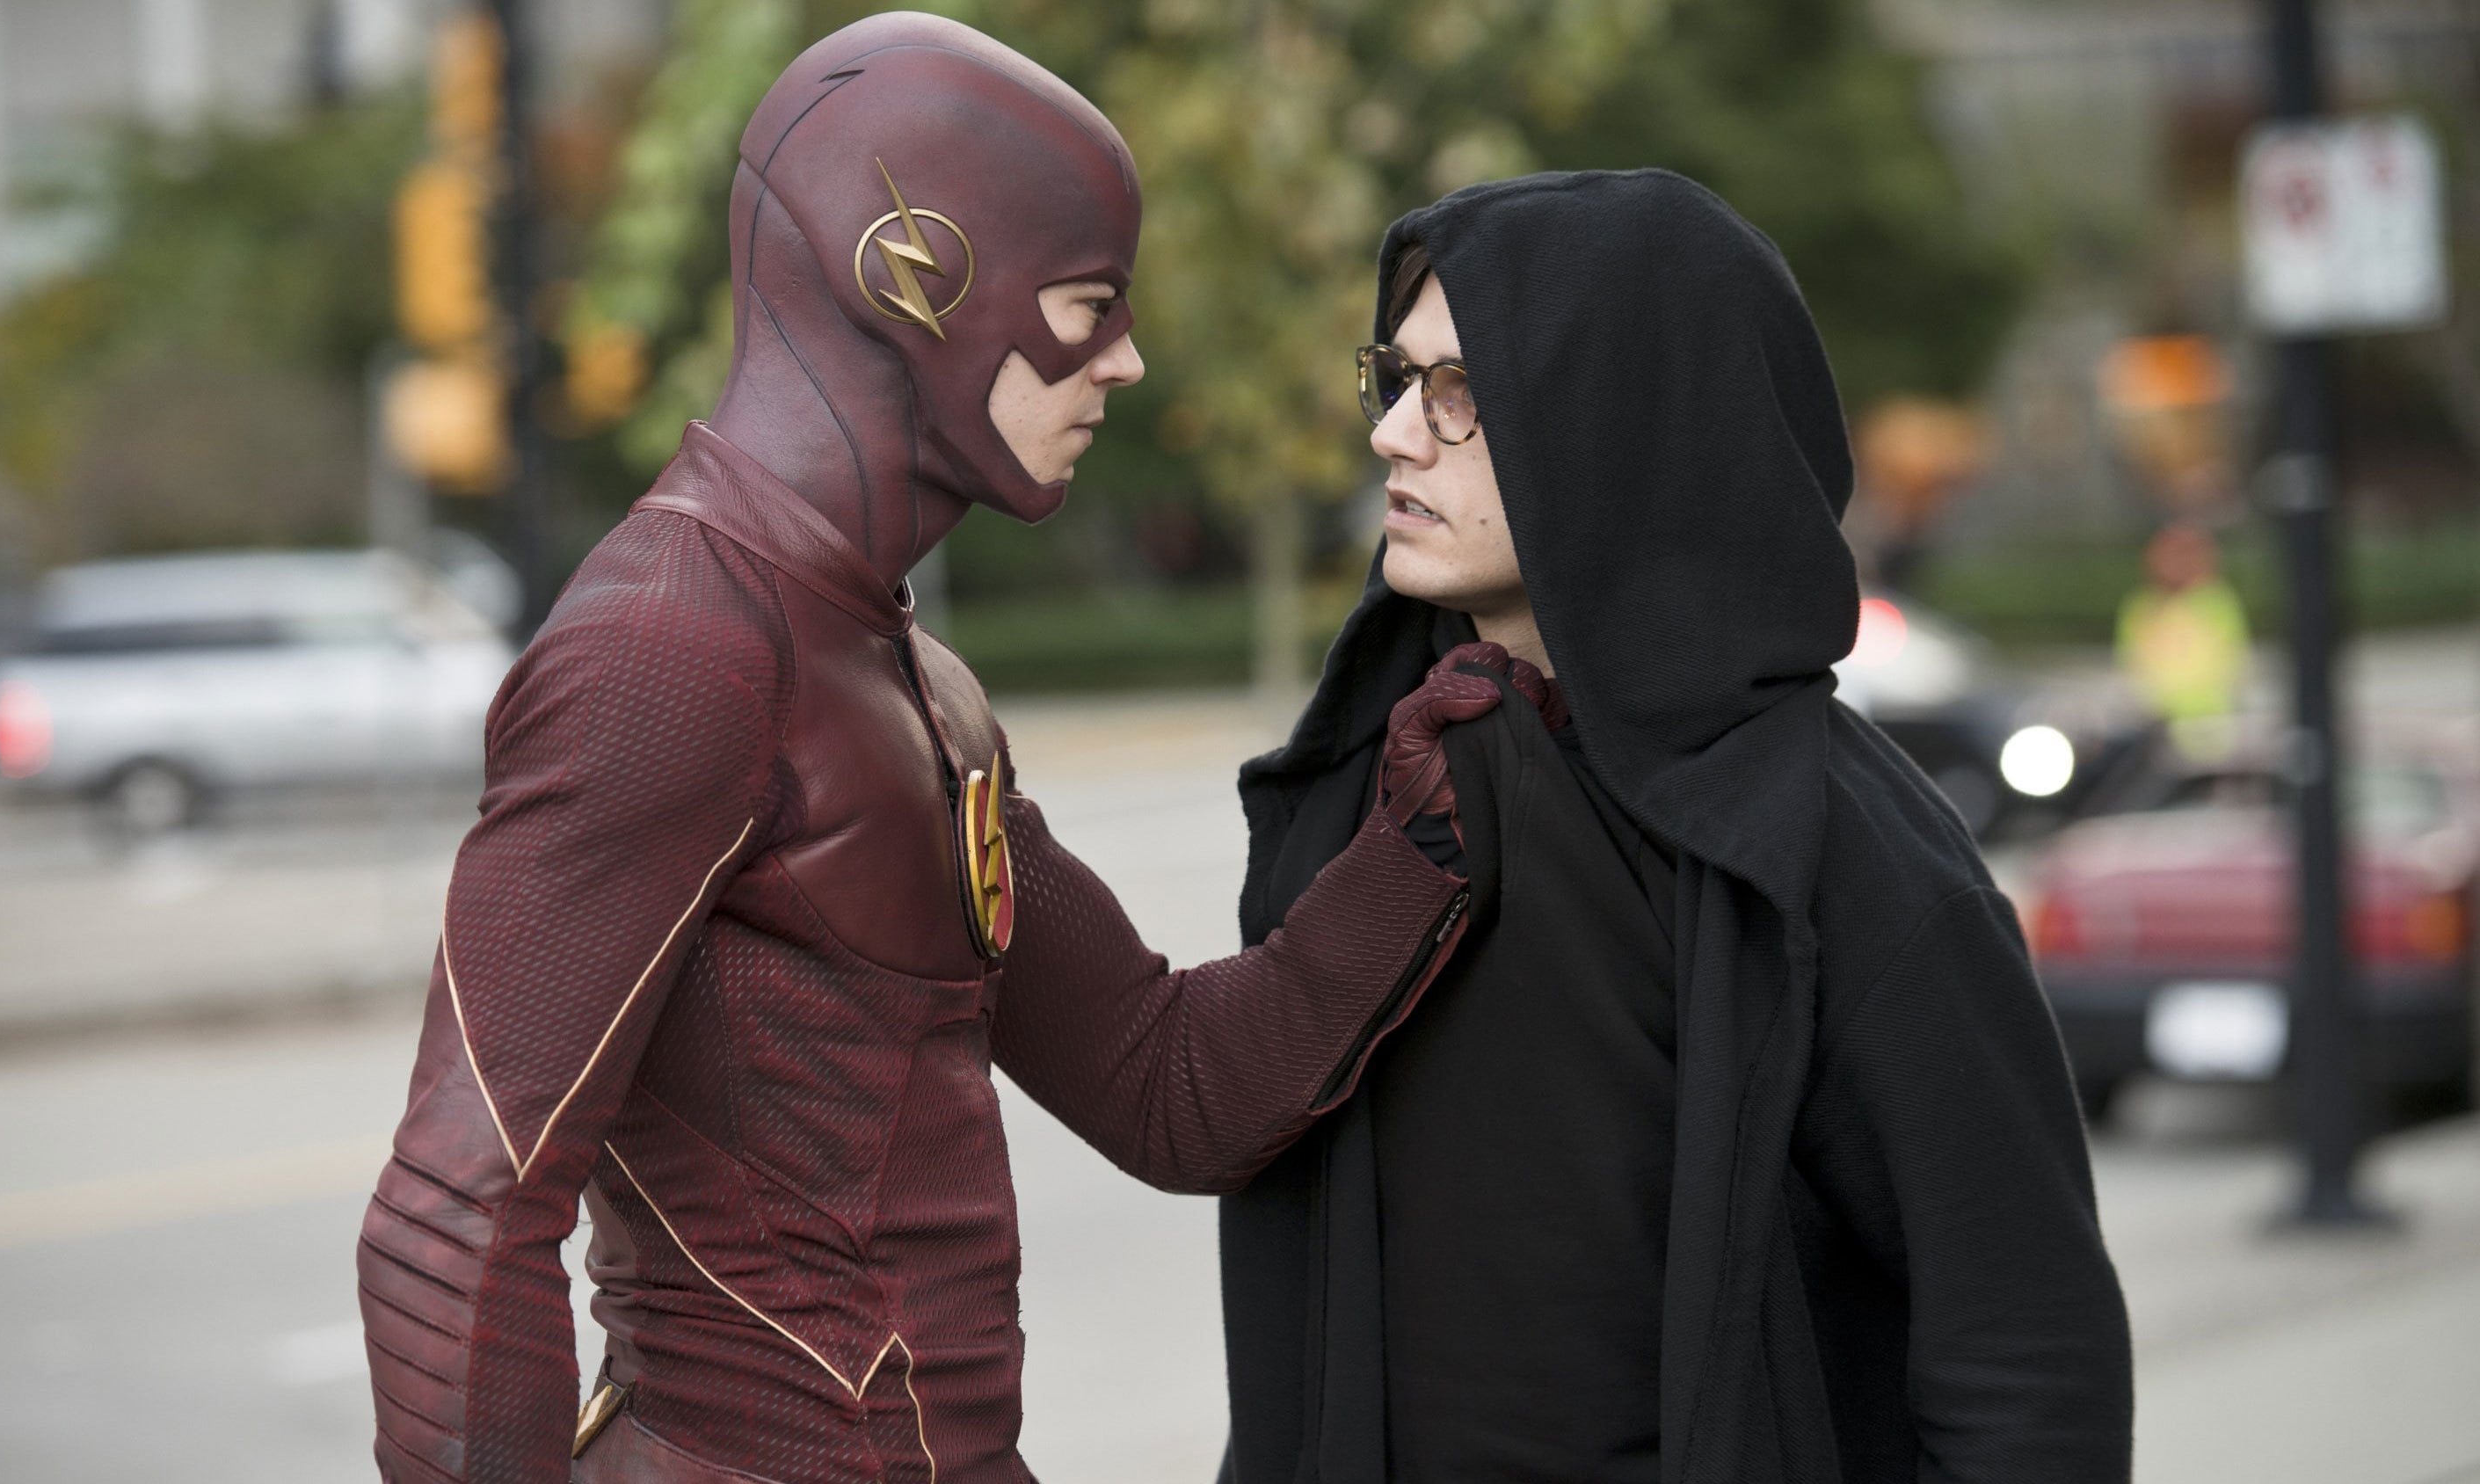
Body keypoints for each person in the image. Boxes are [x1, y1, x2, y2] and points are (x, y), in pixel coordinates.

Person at [354, 15, 1496, 1482]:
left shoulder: (907, 676)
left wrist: (1428, 825)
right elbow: (457, 1217)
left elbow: (1170, 1084)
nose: (1127, 360)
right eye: (1086, 305)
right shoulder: (670, 651)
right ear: (910, 274)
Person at [1217, 171, 2133, 1482]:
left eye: (1463, 390)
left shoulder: (1852, 860)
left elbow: (2028, 1365)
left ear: (1619, 424)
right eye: (1400, 379)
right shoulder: (1374, 782)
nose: (1398, 436)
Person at [2116, 520, 2249, 763]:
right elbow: (2135, 662)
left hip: (2207, 722)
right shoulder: (2142, 606)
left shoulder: (2214, 601)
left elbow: (2222, 664)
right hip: (2155, 722)